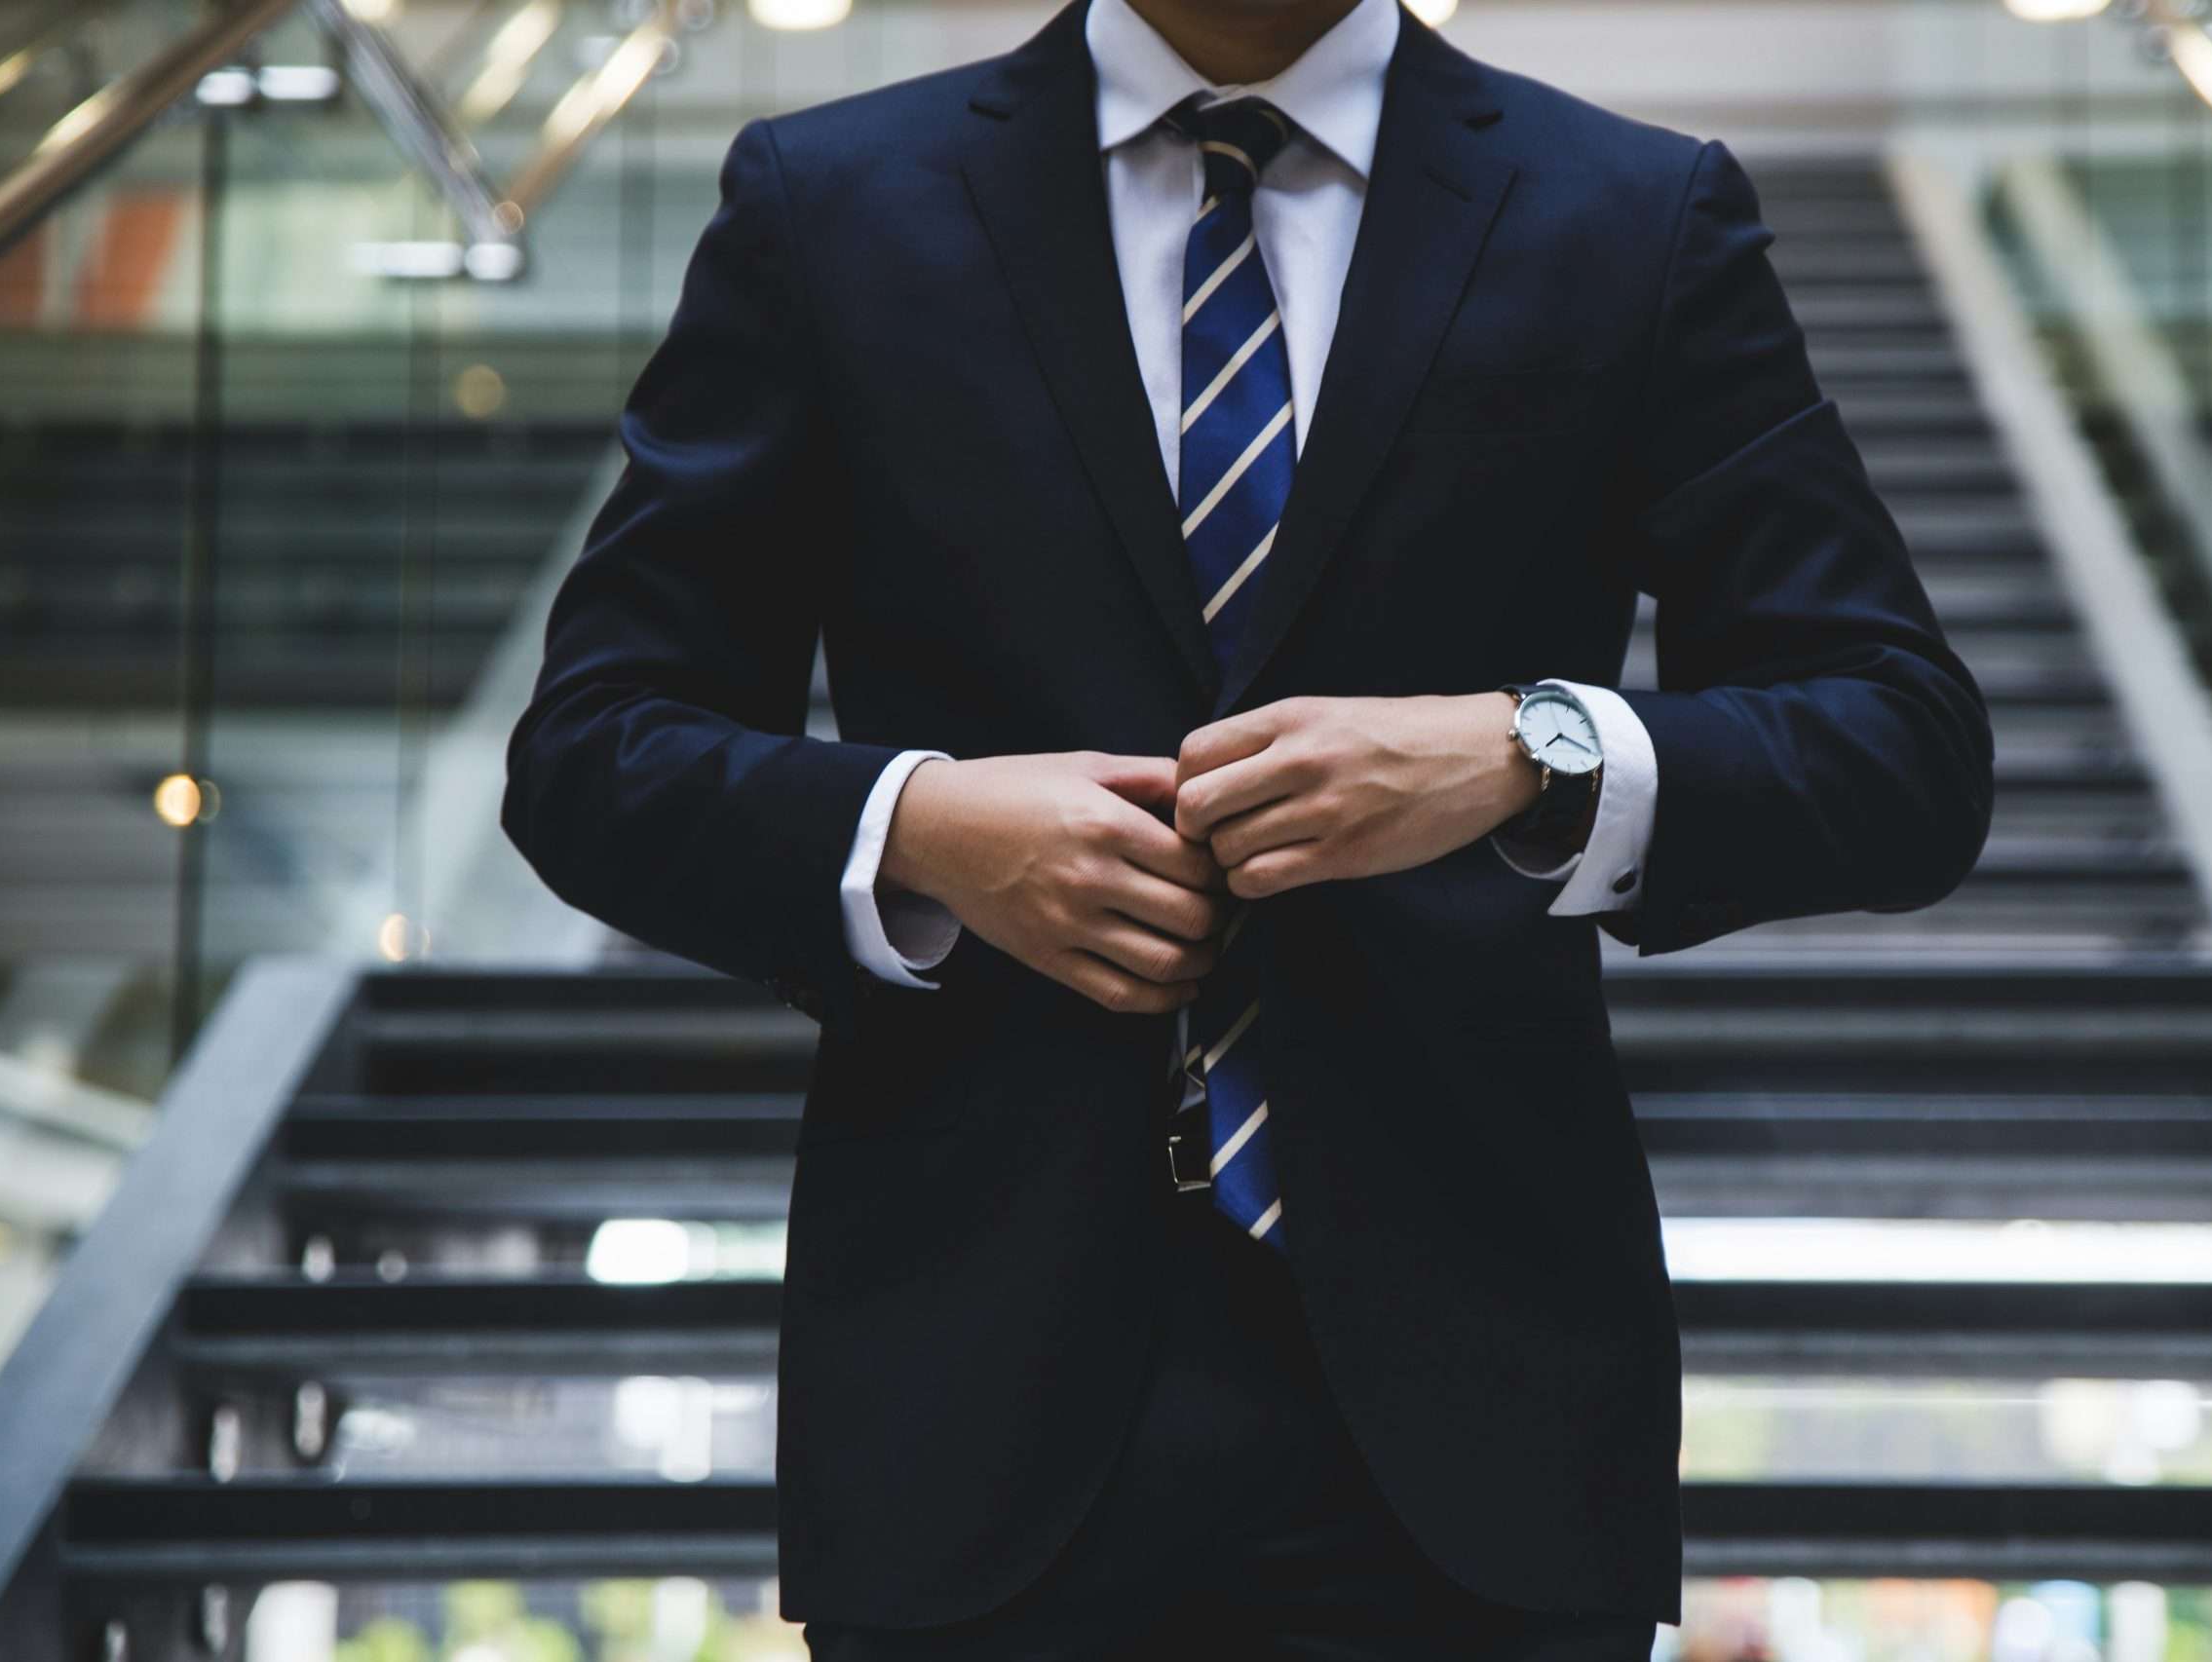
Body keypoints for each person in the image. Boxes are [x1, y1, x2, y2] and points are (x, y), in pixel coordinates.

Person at [500, 0, 1994, 1649]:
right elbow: (591, 748)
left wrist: (1529, 749)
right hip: (972, 1405)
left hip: (1476, 1419)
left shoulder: (1632, 211)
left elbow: (1900, 744)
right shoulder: (831, 201)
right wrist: (918, 824)